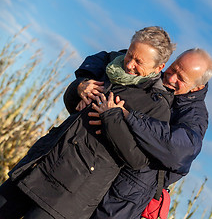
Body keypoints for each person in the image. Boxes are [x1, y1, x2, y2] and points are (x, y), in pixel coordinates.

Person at [0, 26, 176, 219]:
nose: (129, 64)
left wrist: (111, 118)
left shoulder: (157, 107)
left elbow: (137, 159)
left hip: (71, 193)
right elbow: (73, 107)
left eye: (138, 62)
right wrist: (79, 87)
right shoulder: (110, 65)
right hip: (39, 166)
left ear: (159, 67)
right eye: (130, 55)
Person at [71, 48, 212, 218]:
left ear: (197, 87)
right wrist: (84, 81)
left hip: (123, 198)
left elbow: (180, 150)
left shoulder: (195, 116)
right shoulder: (152, 71)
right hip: (91, 173)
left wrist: (128, 116)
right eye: (174, 68)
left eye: (181, 79)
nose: (170, 77)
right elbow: (107, 58)